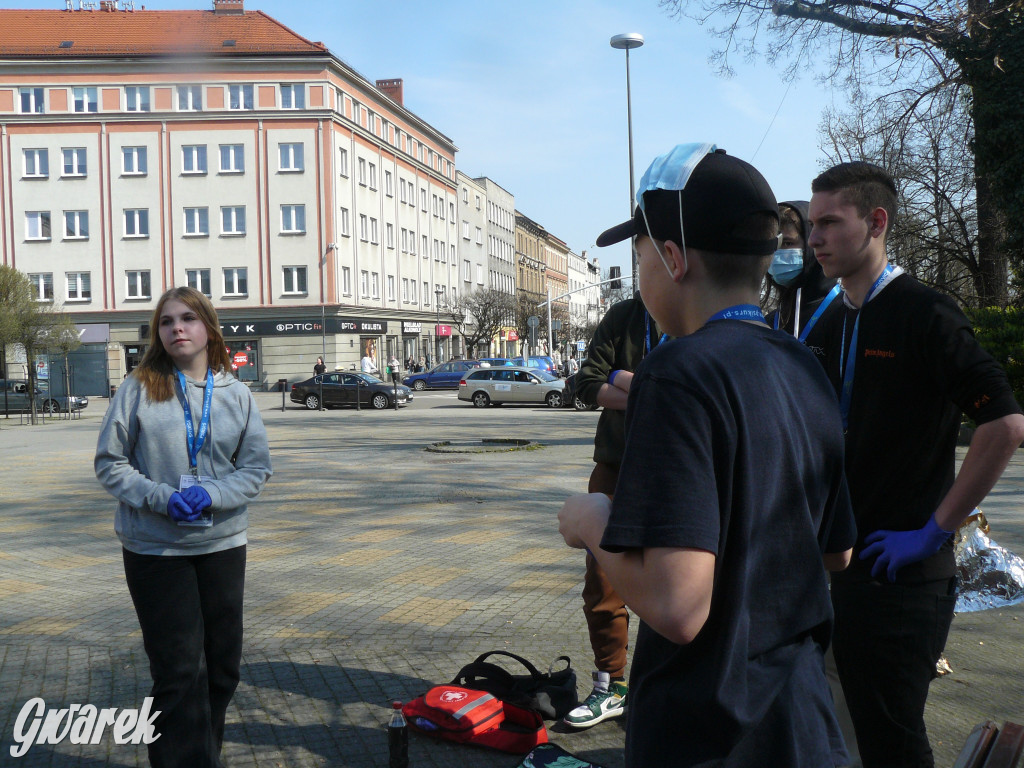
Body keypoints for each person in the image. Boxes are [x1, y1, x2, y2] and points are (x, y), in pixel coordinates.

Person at [558, 145, 857, 767]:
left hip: (710, 730)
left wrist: (591, 522)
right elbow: (837, 550)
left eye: (638, 256)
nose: (639, 274)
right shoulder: (800, 363)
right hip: (800, 719)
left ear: (671, 258)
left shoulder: (678, 373)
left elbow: (678, 606)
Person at [805, 161, 1024, 768]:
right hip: (831, 568)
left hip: (899, 578)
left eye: (829, 222)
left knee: (891, 741)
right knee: (836, 727)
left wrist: (935, 530)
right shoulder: (826, 315)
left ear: (876, 223)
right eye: (811, 223)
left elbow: (1004, 425)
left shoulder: (926, 313)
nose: (813, 237)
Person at [95, 286, 272, 768]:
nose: (177, 328)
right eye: (167, 321)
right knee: (178, 672)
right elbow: (110, 463)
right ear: (158, 333)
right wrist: (161, 498)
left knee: (221, 670)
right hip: (156, 549)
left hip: (221, 544)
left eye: (188, 319)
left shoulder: (237, 394)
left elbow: (256, 468)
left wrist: (211, 493)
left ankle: (201, 756)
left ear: (208, 328)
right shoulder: (137, 388)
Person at [562, 294, 665, 729]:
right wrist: (653, 390)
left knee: (677, 577)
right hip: (616, 466)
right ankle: (612, 685)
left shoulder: (702, 309)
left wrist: (625, 380)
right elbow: (587, 383)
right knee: (602, 580)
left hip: (678, 465)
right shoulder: (624, 316)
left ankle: (666, 687)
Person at [763, 200, 840, 340]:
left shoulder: (846, 313)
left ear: (812, 245)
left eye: (787, 243)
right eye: (775, 245)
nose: (777, 253)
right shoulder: (769, 323)